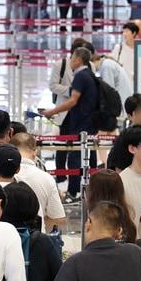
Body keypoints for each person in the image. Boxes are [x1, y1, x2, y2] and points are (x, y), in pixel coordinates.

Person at [40, 47, 98, 199]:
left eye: (72, 58)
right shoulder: (90, 74)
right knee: (88, 153)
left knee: (74, 156)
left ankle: (73, 192)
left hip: (81, 123)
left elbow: (73, 100)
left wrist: (52, 111)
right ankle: (90, 188)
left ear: (78, 60)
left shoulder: (80, 76)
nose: (71, 61)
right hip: (90, 121)